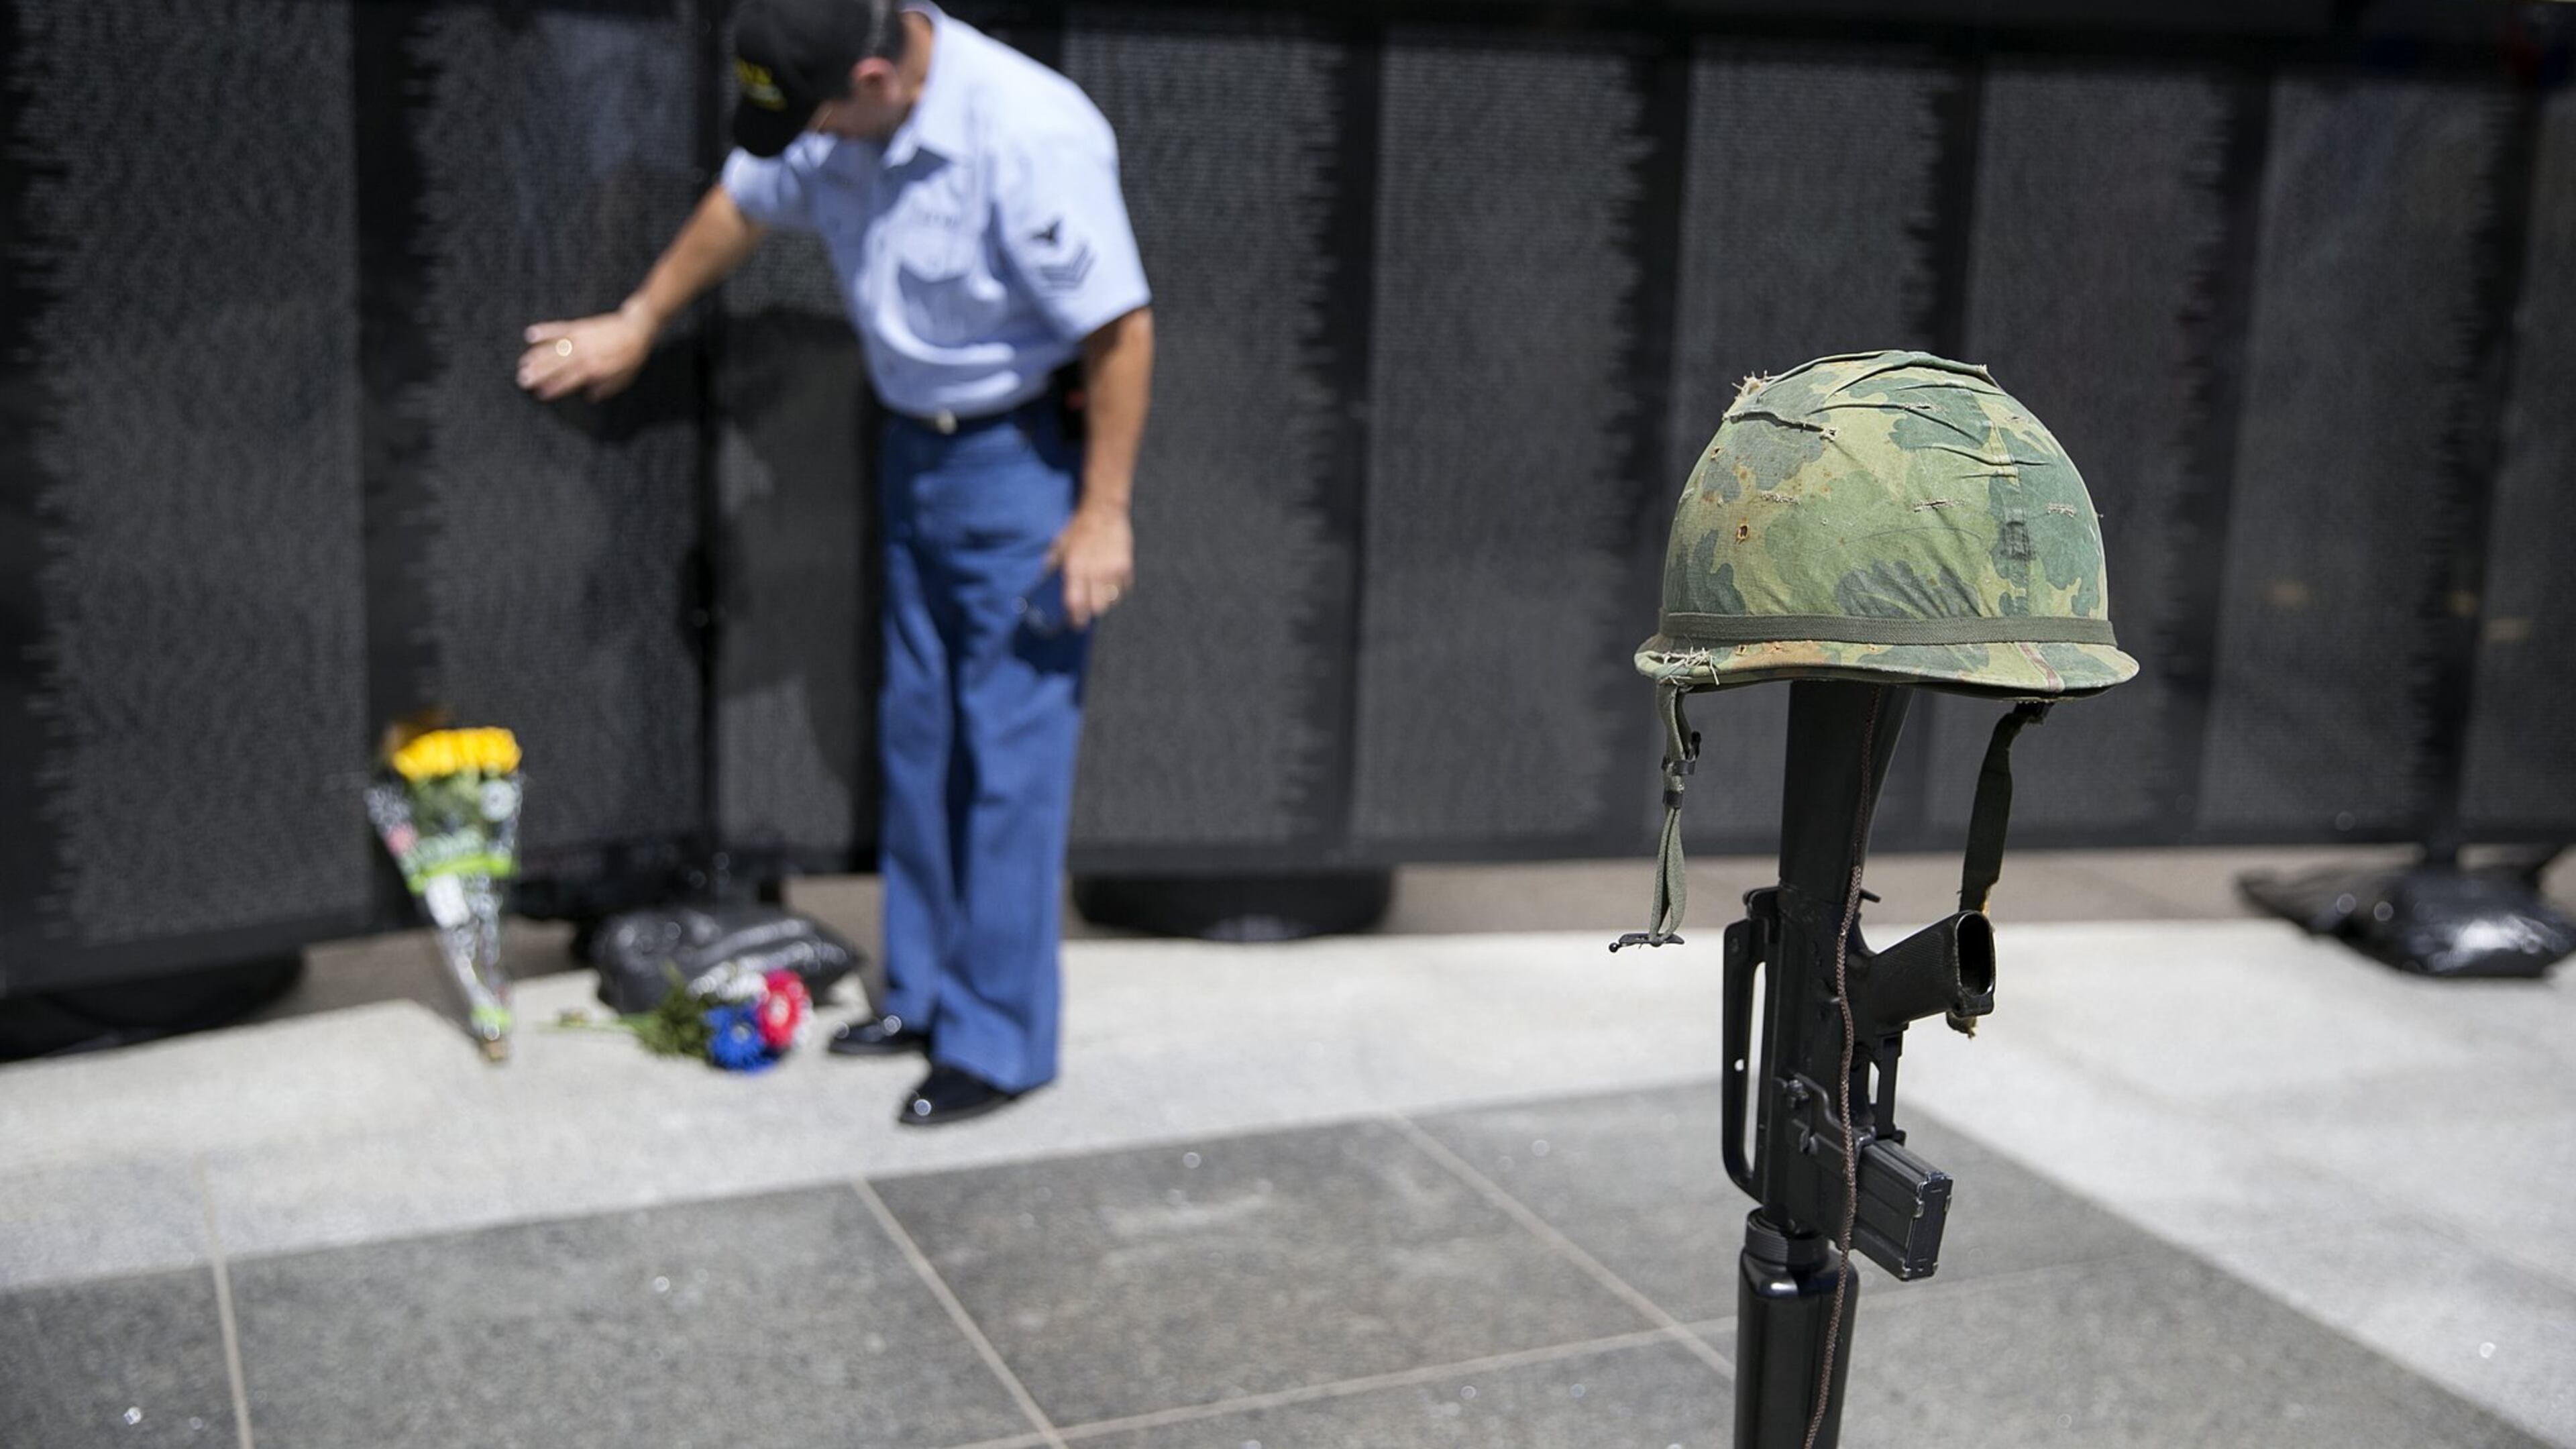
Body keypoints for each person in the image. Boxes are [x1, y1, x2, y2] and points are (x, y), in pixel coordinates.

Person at [517, 0, 1152, 1126]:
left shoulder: (1030, 133)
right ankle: (922, 994)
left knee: (1009, 759)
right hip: (915, 449)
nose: (807, 143)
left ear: (877, 79)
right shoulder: (838, 102)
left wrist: (1101, 514)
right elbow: (742, 202)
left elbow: (1119, 329)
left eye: (820, 118)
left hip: (1017, 463)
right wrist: (639, 317)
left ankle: (1000, 1044)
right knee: (917, 735)